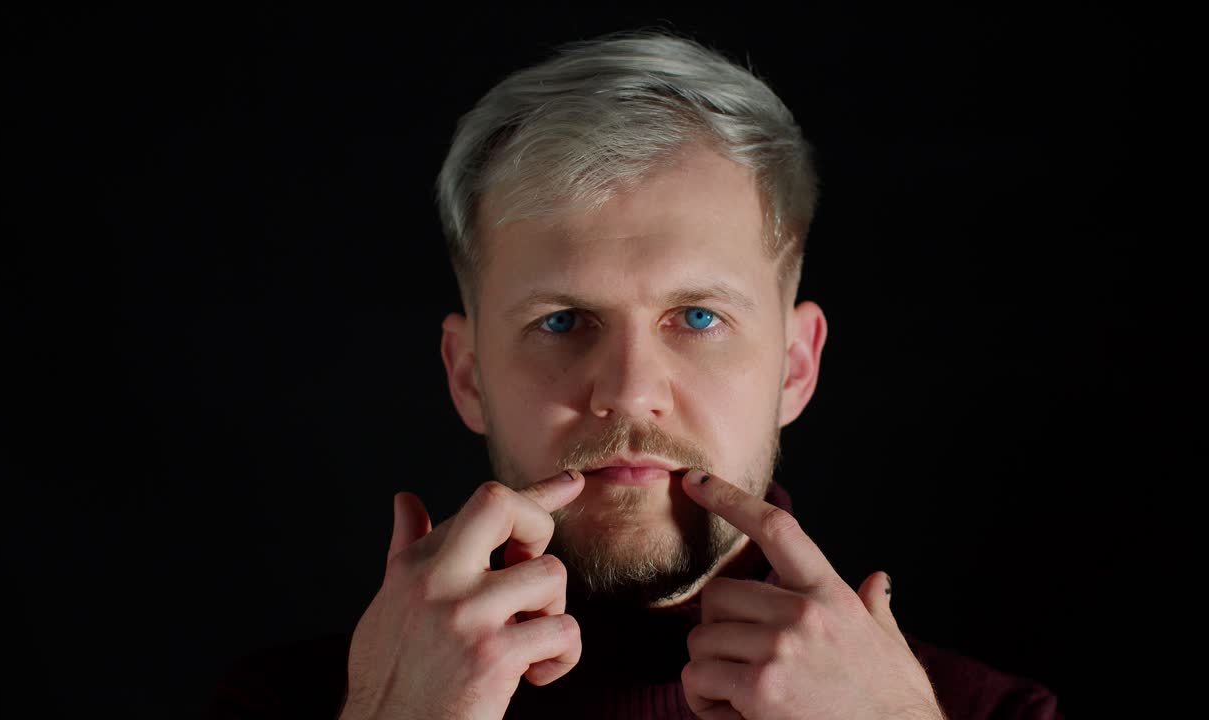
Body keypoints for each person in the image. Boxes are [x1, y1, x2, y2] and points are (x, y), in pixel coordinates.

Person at [205, 29, 1064, 720]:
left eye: (698, 317)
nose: (627, 390)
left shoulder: (988, 714)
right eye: (561, 321)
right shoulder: (288, 707)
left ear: (796, 367)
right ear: (467, 377)